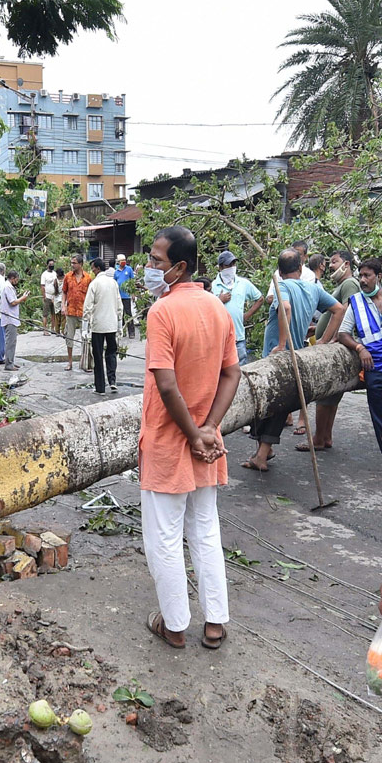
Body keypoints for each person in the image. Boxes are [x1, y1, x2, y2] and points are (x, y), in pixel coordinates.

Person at [140, 225, 240, 650]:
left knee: (163, 536)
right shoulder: (217, 308)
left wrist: (195, 435)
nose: (149, 267)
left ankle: (175, 624)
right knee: (205, 530)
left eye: (157, 261)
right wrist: (208, 429)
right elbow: (231, 373)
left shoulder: (162, 312)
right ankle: (215, 622)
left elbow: (166, 386)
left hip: (169, 441)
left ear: (179, 267)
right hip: (205, 443)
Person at [241, 249, 345, 471]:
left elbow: (286, 308)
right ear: (300, 268)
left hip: (277, 356)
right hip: (296, 354)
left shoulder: (283, 286)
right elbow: (339, 309)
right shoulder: (313, 288)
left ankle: (262, 453)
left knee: (263, 402)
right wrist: (325, 340)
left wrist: (280, 344)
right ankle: (264, 452)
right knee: (280, 406)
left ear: (279, 271)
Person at [335, 258, 382, 480]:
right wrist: (359, 347)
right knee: (381, 420)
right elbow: (342, 334)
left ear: (378, 277)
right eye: (360, 275)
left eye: (367, 276)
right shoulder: (356, 303)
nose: (362, 280)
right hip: (377, 370)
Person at [303, 250, 361, 452]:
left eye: (334, 262)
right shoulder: (344, 285)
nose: (330, 267)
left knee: (324, 393)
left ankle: (318, 438)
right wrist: (317, 329)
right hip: (333, 343)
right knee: (332, 395)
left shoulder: (350, 283)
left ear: (346, 263)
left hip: (334, 345)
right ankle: (325, 436)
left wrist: (328, 339)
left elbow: (346, 310)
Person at [211, 250, 263, 366]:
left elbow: (259, 298)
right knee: (221, 369)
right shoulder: (213, 286)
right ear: (220, 267)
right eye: (228, 265)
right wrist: (219, 300)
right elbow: (206, 310)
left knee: (241, 368)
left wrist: (246, 315)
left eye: (233, 264)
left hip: (238, 336)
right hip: (220, 338)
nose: (231, 268)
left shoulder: (243, 283)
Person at [84, 258, 122, 394]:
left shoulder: (94, 284)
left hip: (98, 325)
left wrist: (84, 327)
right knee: (111, 353)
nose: (92, 271)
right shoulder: (113, 283)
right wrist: (119, 325)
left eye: (93, 269)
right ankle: (112, 381)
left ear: (97, 268)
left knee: (98, 356)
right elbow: (119, 306)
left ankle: (100, 387)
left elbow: (87, 306)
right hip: (111, 324)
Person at [61, 254, 91, 371]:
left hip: (84, 311)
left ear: (80, 264)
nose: (72, 265)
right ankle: (70, 362)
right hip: (71, 311)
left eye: (74, 263)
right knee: (69, 337)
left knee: (86, 338)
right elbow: (64, 292)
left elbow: (91, 295)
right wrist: (63, 305)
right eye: (71, 263)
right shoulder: (68, 277)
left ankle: (86, 362)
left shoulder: (88, 278)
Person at [0, 269, 29, 370]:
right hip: (9, 318)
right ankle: (9, 364)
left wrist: (21, 297)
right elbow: (13, 302)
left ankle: (11, 361)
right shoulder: (7, 287)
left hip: (12, 317)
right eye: (16, 279)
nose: (17, 281)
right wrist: (23, 298)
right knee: (10, 342)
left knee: (12, 342)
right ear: (12, 278)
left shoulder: (9, 287)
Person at [113, 254, 136, 338]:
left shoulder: (129, 269)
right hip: (119, 296)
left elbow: (132, 282)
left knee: (128, 313)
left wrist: (133, 293)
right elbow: (114, 283)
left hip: (127, 295)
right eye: (121, 260)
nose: (123, 262)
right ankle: (122, 330)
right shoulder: (116, 272)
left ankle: (132, 332)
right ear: (118, 262)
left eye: (124, 260)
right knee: (120, 314)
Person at [40, 259, 58, 335]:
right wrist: (44, 296)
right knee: (45, 314)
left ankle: (53, 329)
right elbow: (42, 286)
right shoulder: (44, 274)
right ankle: (45, 330)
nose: (52, 266)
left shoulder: (55, 273)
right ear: (47, 265)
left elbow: (57, 284)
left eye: (53, 264)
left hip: (54, 296)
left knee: (53, 313)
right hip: (47, 296)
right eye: (50, 264)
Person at [52, 267, 66, 334]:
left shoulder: (55, 281)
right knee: (64, 317)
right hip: (64, 299)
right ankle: (63, 331)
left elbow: (54, 292)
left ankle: (57, 331)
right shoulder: (65, 280)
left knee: (57, 316)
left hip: (57, 299)